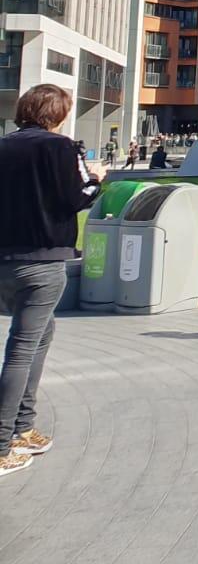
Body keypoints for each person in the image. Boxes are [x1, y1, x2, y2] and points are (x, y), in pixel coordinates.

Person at [0, 84, 105, 479]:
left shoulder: (4, 146)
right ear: (58, 115)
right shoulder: (60, 148)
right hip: (41, 261)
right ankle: (2, 443)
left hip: (5, 259)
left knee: (40, 335)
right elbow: (77, 198)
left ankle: (23, 425)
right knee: (22, 348)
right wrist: (97, 177)